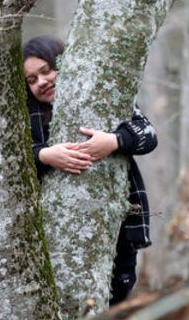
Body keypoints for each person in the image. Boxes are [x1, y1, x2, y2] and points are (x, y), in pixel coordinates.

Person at [22, 35, 157, 305]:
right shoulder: (27, 115)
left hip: (119, 219)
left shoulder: (102, 93)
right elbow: (13, 161)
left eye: (46, 71)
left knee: (116, 298)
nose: (42, 82)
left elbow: (148, 134)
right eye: (32, 80)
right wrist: (45, 155)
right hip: (59, 228)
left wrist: (115, 141)